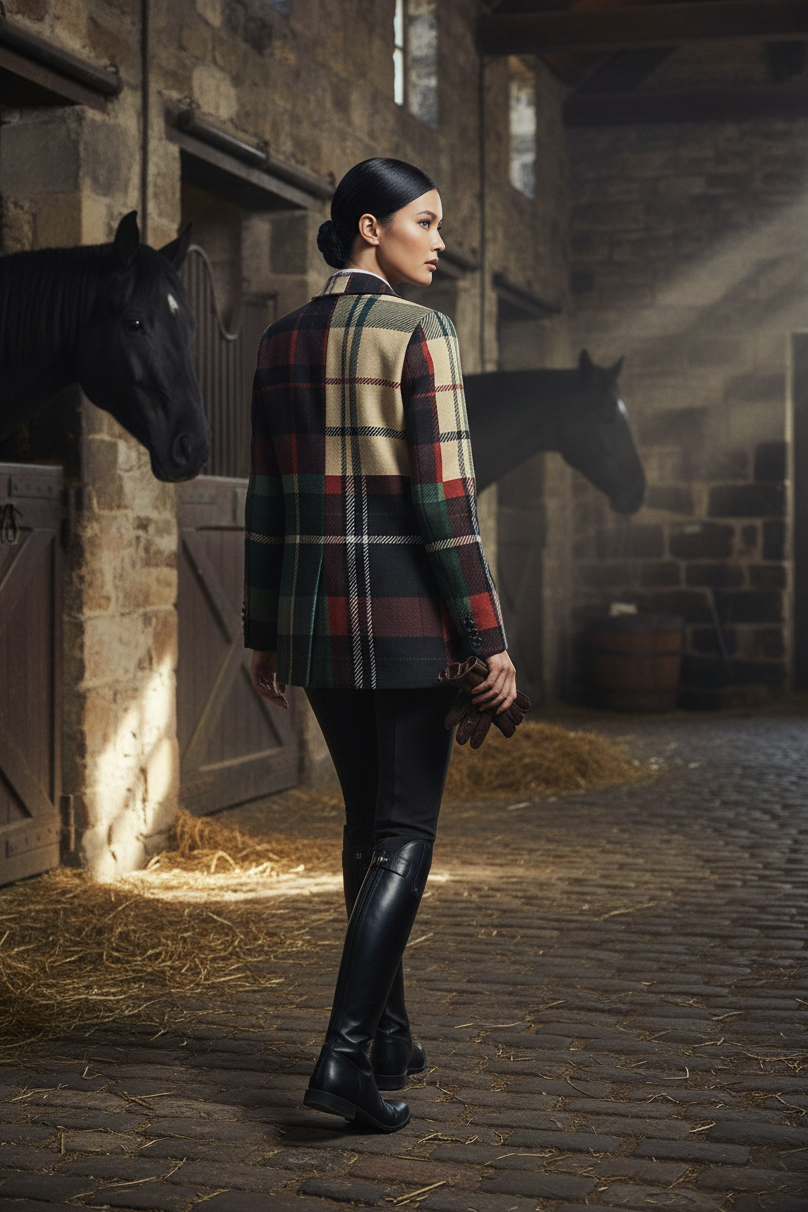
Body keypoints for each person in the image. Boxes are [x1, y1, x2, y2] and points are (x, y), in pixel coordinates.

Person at [244, 157, 516, 1133]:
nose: (439, 242)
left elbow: (265, 503)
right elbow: (447, 506)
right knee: (403, 834)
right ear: (370, 227)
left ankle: (390, 1035)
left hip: (315, 628)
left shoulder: (276, 344)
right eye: (426, 221)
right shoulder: (423, 333)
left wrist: (263, 635)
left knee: (367, 825)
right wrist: (487, 638)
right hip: (407, 627)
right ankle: (344, 1058)